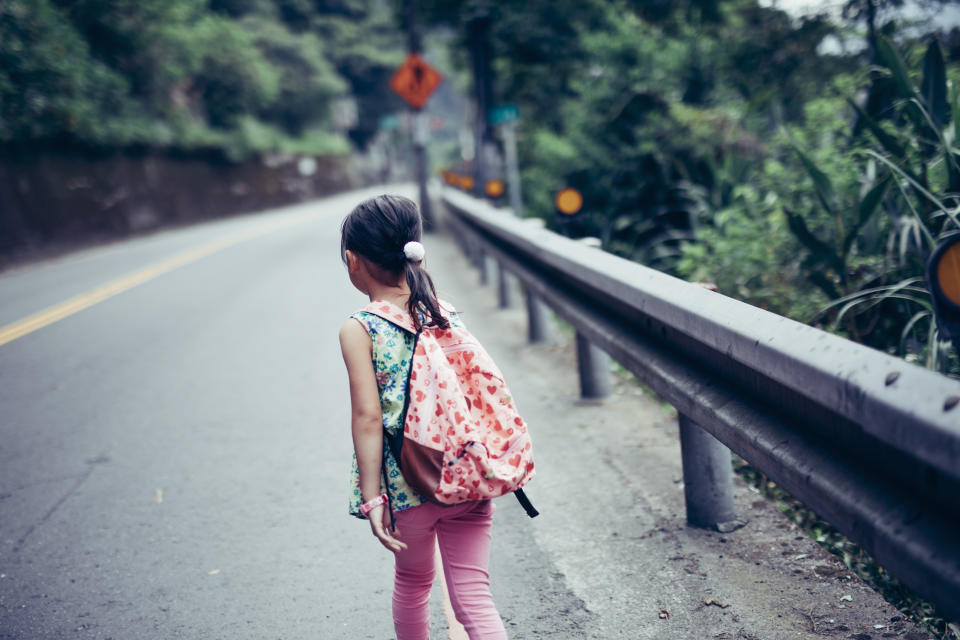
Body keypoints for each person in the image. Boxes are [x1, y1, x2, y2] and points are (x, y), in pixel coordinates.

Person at [338, 194, 509, 640]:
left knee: (413, 583)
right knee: (474, 593)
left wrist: (374, 499)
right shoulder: (443, 310)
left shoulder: (361, 328)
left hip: (409, 486)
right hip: (468, 474)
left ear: (353, 260)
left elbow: (368, 418)